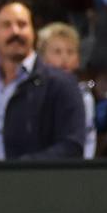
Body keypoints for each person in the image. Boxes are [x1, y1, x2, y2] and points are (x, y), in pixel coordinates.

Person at [0, 0, 85, 161]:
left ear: (34, 33)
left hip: (24, 180)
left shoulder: (61, 85)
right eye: (6, 25)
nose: (15, 32)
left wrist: (21, 168)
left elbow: (71, 147)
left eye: (22, 24)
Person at [37, 23, 95, 159]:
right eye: (57, 52)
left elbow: (85, 143)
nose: (65, 58)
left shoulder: (84, 96)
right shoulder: (31, 92)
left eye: (70, 52)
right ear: (41, 58)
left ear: (78, 60)